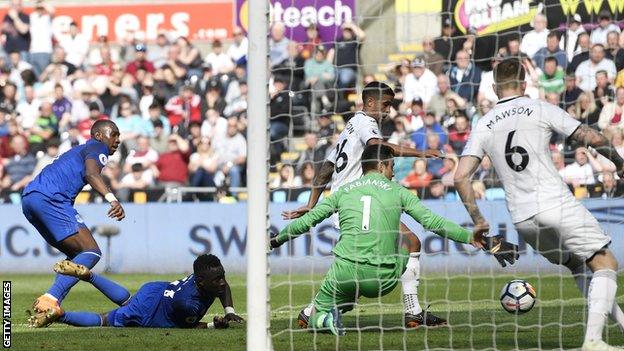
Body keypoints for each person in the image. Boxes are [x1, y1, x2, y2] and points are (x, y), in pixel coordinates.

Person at [454, 58, 624, 351]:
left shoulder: (484, 123)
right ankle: (593, 340)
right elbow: (590, 136)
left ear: (495, 88)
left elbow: (459, 178)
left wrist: (479, 221)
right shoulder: (539, 108)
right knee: (605, 262)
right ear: (524, 84)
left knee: (578, 264)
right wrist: (619, 163)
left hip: (523, 219)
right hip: (555, 203)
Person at [273, 144, 511, 335]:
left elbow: (307, 221)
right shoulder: (397, 191)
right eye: (392, 166)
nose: (394, 171)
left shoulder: (342, 192)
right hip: (382, 280)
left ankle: (322, 317)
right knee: (413, 242)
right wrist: (474, 238)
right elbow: (433, 223)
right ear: (381, 165)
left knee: (326, 307)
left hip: (344, 273)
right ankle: (411, 310)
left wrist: (276, 241)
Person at [282, 81, 445, 329]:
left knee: (363, 265)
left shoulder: (348, 128)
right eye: (386, 105)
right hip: (358, 201)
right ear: (370, 103)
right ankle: (412, 313)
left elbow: (325, 169)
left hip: (347, 202)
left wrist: (312, 203)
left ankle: (310, 312)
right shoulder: (366, 123)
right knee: (405, 245)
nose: (388, 111)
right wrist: (420, 153)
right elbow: (377, 147)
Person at [21, 120, 125, 315]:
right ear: (98, 135)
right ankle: (50, 298)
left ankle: (51, 303)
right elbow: (92, 174)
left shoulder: (81, 149)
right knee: (91, 252)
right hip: (52, 198)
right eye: (114, 134)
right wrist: (112, 199)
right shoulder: (97, 147)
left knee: (77, 258)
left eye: (119, 136)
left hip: (29, 198)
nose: (118, 140)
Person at [29, 254, 244, 329]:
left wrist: (229, 311)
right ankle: (61, 315)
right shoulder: (187, 304)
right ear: (201, 282)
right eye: (218, 279)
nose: (223, 283)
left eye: (222, 276)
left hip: (156, 289)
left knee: (128, 302)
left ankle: (89, 276)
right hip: (149, 311)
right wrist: (214, 326)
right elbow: (190, 327)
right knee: (104, 320)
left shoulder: (208, 280)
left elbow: (221, 289)